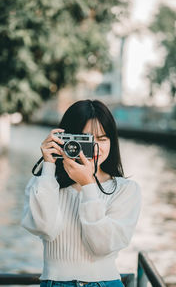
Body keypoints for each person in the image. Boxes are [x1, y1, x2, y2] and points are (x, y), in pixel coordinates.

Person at [21, 99, 141, 287]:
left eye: (102, 139)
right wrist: (48, 166)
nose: (95, 147)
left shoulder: (126, 190)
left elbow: (101, 246)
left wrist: (88, 185)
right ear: (65, 139)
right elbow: (43, 227)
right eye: (85, 139)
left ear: (112, 141)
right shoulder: (44, 183)